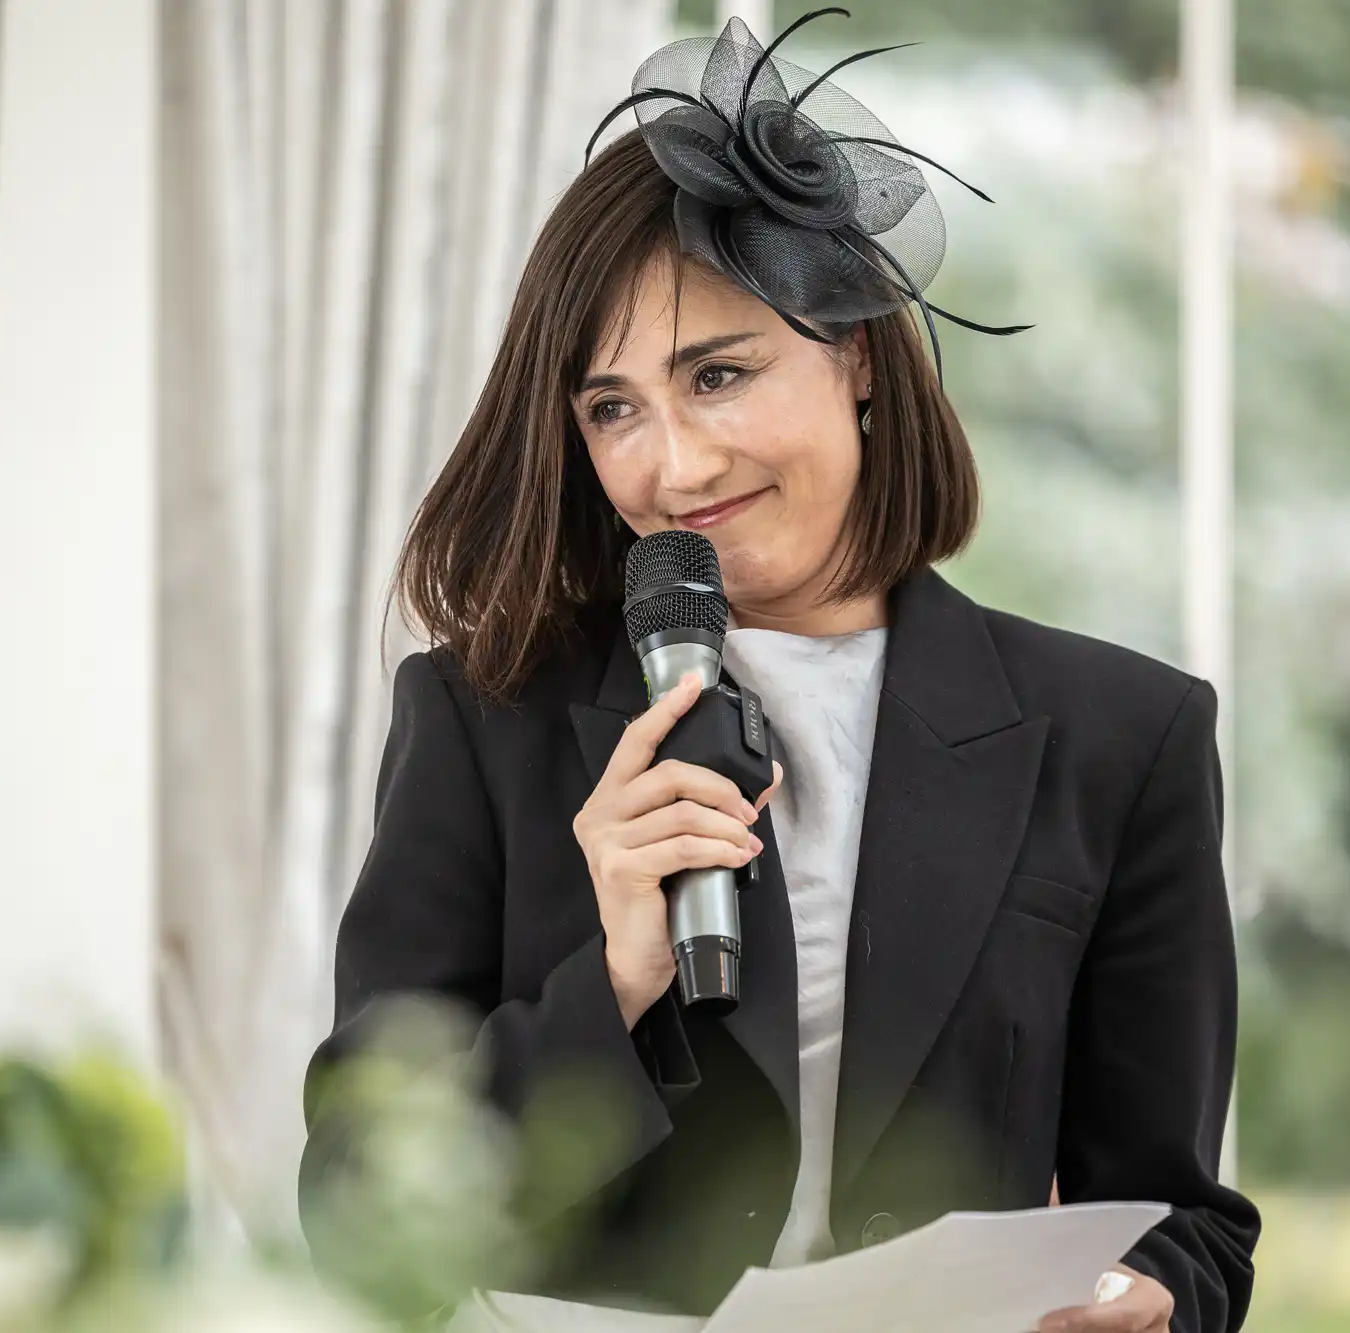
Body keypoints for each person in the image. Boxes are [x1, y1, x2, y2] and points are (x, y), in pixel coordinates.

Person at [301, 13, 1259, 1331]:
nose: (673, 466)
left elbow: (1181, 1223)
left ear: (857, 355)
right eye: (613, 407)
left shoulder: (1122, 737)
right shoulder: (483, 721)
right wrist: (617, 970)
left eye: (721, 374)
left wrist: (1138, 1296)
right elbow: (356, 1210)